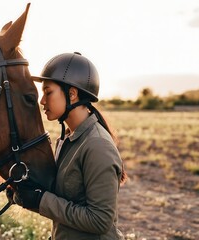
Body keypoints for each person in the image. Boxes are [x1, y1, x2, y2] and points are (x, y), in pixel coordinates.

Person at [11, 52, 127, 239]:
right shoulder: (68, 138)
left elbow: (100, 220)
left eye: (48, 92)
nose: (42, 100)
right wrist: (24, 194)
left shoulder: (97, 146)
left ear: (72, 94)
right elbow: (64, 202)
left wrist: (41, 200)